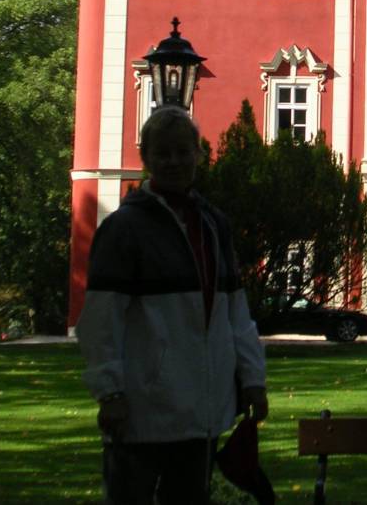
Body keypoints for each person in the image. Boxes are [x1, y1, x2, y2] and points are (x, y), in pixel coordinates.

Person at [78, 106, 268, 505]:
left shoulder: (213, 225)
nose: (174, 161)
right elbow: (100, 319)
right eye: (162, 153)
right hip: (143, 412)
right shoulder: (123, 229)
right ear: (145, 158)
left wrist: (253, 380)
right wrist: (109, 392)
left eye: (183, 151)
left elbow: (235, 312)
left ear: (198, 154)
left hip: (203, 411)